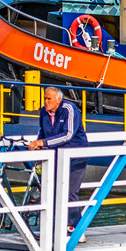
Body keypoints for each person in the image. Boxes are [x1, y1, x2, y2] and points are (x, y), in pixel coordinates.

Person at [28, 86, 88, 234]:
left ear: (58, 100)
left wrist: (43, 143)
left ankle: (74, 229)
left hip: (75, 154)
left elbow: (68, 134)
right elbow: (42, 131)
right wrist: (38, 143)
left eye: (49, 99)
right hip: (55, 154)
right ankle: (51, 226)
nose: (46, 102)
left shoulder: (69, 109)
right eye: (45, 98)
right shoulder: (44, 111)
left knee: (69, 191)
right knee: (51, 188)